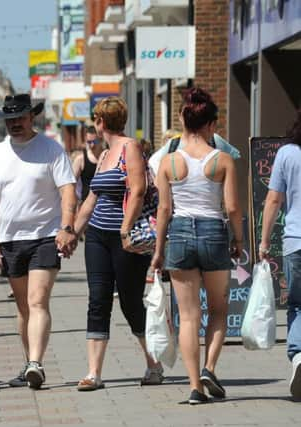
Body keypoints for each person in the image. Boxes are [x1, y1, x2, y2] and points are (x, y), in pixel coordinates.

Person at [0, 94, 77, 389]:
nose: (14, 124)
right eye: (9, 119)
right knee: (23, 306)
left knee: (37, 300)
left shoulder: (51, 149)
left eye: (19, 118)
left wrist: (67, 226)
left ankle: (36, 363)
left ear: (31, 117)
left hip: (46, 237)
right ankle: (28, 363)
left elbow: (68, 190)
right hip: (10, 239)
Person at [151, 88, 242, 404]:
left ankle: (194, 386)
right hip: (214, 232)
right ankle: (210, 367)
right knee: (218, 310)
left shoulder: (168, 162)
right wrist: (239, 239)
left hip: (178, 233)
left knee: (188, 316)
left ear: (182, 120)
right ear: (212, 125)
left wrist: (159, 250)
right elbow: (231, 207)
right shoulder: (223, 160)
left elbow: (163, 209)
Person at [73, 97, 163, 392]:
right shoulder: (104, 155)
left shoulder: (129, 148)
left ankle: (154, 362)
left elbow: (138, 190)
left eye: (95, 121)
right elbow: (91, 199)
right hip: (98, 237)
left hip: (125, 239)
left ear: (101, 122)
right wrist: (71, 232)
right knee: (97, 299)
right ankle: (93, 372)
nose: (95, 126)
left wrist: (125, 229)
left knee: (130, 303)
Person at [259, 109, 301, 399]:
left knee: (297, 303)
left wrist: (263, 240)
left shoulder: (286, 153)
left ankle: (298, 356)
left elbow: (273, 199)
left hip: (296, 241)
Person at [72, 125, 103, 203]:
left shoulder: (108, 156)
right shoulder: (80, 159)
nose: (92, 145)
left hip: (104, 206)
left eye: (95, 142)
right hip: (86, 204)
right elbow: (71, 185)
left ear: (101, 140)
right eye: (89, 142)